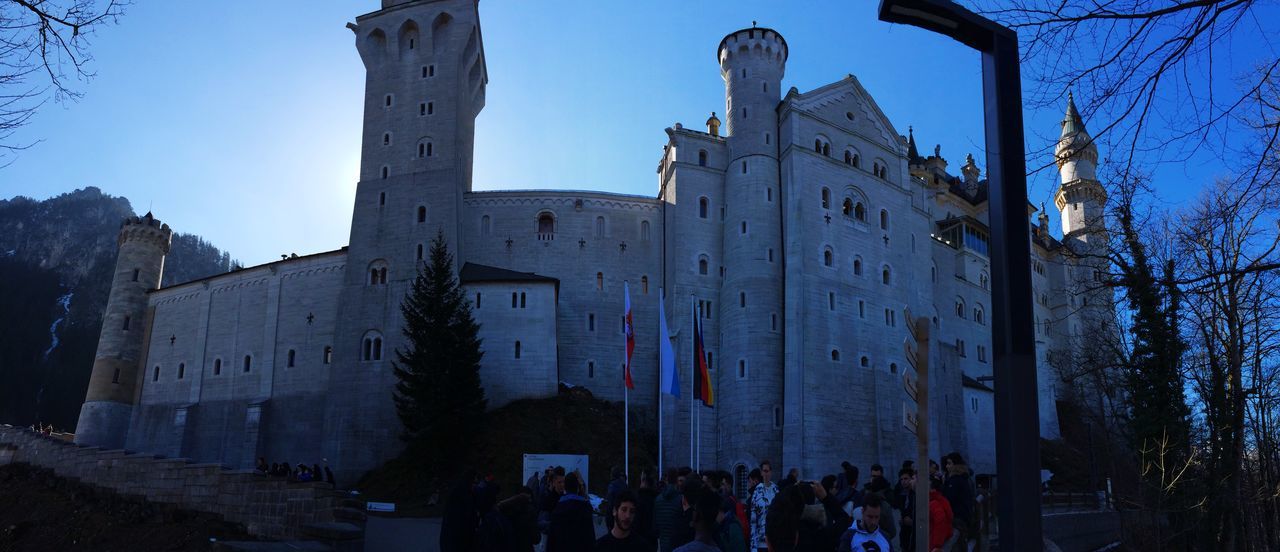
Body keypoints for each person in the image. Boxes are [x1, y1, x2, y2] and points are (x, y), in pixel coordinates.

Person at [546, 473, 594, 552]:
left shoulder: (558, 508)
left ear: (565, 487)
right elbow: (590, 537)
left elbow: (551, 538)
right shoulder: (585, 508)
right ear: (578, 488)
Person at [942, 453, 975, 551]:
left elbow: (948, 498)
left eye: (949, 463)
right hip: (963, 516)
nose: (947, 466)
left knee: (957, 545)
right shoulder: (963, 477)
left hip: (958, 517)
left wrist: (944, 484)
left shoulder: (955, 479)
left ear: (956, 465)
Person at [440, 471, 479, 552]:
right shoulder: (463, 494)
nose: (475, 485)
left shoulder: (464, 492)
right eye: (474, 482)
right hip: (458, 537)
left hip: (456, 536)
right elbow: (467, 516)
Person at [654, 469, 686, 552]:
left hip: (662, 542)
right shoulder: (681, 499)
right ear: (676, 480)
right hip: (678, 542)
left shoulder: (658, 499)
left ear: (666, 479)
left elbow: (655, 523)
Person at [749, 460, 779, 552]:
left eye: (768, 471)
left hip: (774, 539)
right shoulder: (757, 491)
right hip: (760, 541)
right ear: (761, 472)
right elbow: (753, 519)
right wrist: (753, 547)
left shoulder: (776, 490)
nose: (766, 474)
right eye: (764, 471)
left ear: (771, 472)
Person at [928, 478, 955, 552]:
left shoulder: (933, 503)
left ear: (933, 489)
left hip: (933, 543)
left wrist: (937, 545)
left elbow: (940, 522)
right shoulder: (941, 499)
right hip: (940, 539)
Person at [634, 472, 659, 544]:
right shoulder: (657, 499)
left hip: (639, 538)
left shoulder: (637, 498)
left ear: (643, 481)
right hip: (652, 538)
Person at [898, 468, 918, 552]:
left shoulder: (915, 495)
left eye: (906, 478)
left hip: (913, 537)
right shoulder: (904, 494)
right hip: (905, 536)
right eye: (901, 479)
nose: (903, 481)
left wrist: (912, 522)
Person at [605, 466, 629, 530]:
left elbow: (610, 504)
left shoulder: (612, 486)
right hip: (623, 515)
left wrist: (608, 519)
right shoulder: (625, 486)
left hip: (614, 516)